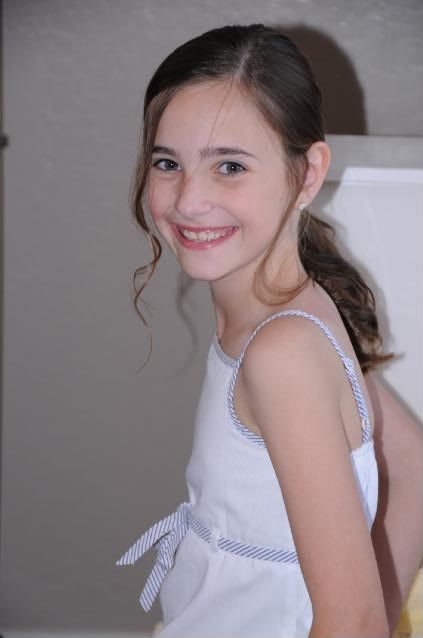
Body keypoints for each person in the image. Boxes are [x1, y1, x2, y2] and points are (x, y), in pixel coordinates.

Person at [116, 24, 423, 637]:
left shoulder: (281, 353)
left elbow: (353, 624)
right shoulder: (291, 314)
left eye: (229, 166)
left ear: (306, 175)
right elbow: (411, 463)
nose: (189, 199)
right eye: (168, 162)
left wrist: (370, 620)